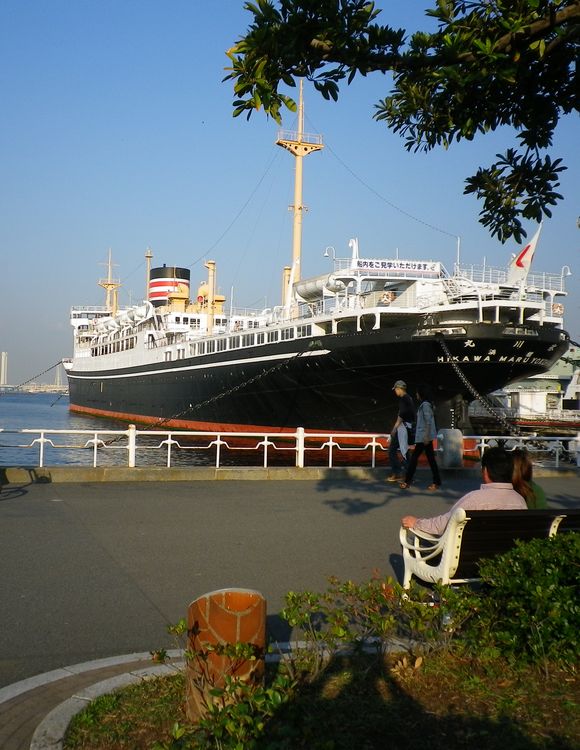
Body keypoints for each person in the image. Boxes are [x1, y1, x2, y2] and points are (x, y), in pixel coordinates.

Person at [401, 446, 526, 535]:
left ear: (486, 471)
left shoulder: (475, 500)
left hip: (468, 560)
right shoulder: (520, 501)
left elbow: (442, 525)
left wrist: (416, 523)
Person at [399, 384, 441, 491]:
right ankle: (436, 481)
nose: (416, 394)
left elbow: (428, 421)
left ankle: (407, 481)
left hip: (424, 437)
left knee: (415, 459)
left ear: (421, 394)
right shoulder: (425, 404)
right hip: (424, 437)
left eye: (417, 393)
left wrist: (426, 436)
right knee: (430, 459)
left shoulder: (425, 405)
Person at [387, 380, 416, 482]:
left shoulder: (403, 399)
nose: (395, 391)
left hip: (402, 428)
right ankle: (407, 475)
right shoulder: (409, 399)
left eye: (395, 389)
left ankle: (398, 472)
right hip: (408, 427)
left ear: (399, 389)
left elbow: (401, 416)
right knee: (405, 451)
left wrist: (394, 429)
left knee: (392, 450)